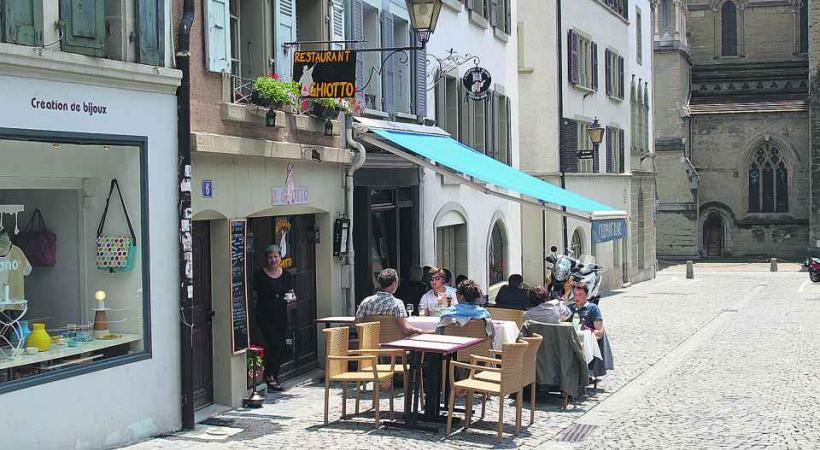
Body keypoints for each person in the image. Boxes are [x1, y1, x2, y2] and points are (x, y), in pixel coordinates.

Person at [253, 245, 293, 392]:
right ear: (266, 259)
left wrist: (292, 298)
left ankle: (274, 375)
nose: (273, 260)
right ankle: (269, 376)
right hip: (264, 315)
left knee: (280, 345)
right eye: (270, 257)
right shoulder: (259, 276)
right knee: (274, 344)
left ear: (280, 258)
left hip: (281, 315)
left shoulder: (286, 275)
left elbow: (291, 292)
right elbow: (254, 294)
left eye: (275, 257)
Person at [356, 268, 428, 335]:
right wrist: (421, 331)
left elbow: (357, 323)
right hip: (394, 346)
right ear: (394, 284)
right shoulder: (397, 304)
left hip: (371, 345)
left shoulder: (366, 302)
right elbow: (406, 329)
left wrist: (366, 338)